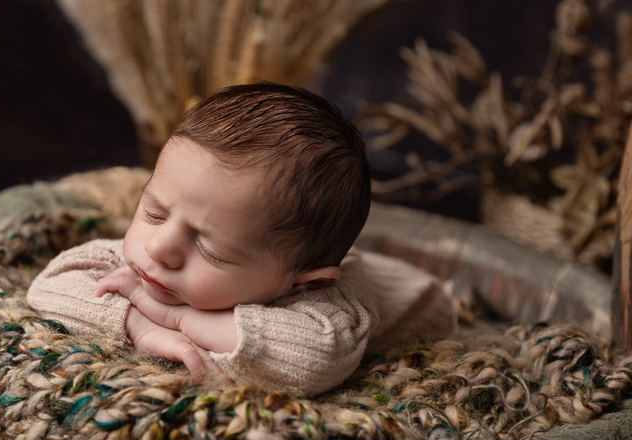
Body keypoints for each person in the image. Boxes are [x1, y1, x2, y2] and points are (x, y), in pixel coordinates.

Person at [27, 83, 455, 396]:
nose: (158, 248)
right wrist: (137, 324)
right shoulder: (152, 257)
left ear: (305, 282)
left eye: (209, 249)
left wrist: (175, 318)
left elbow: (310, 359)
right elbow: (50, 286)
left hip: (432, 306)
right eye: (153, 213)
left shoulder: (331, 303)